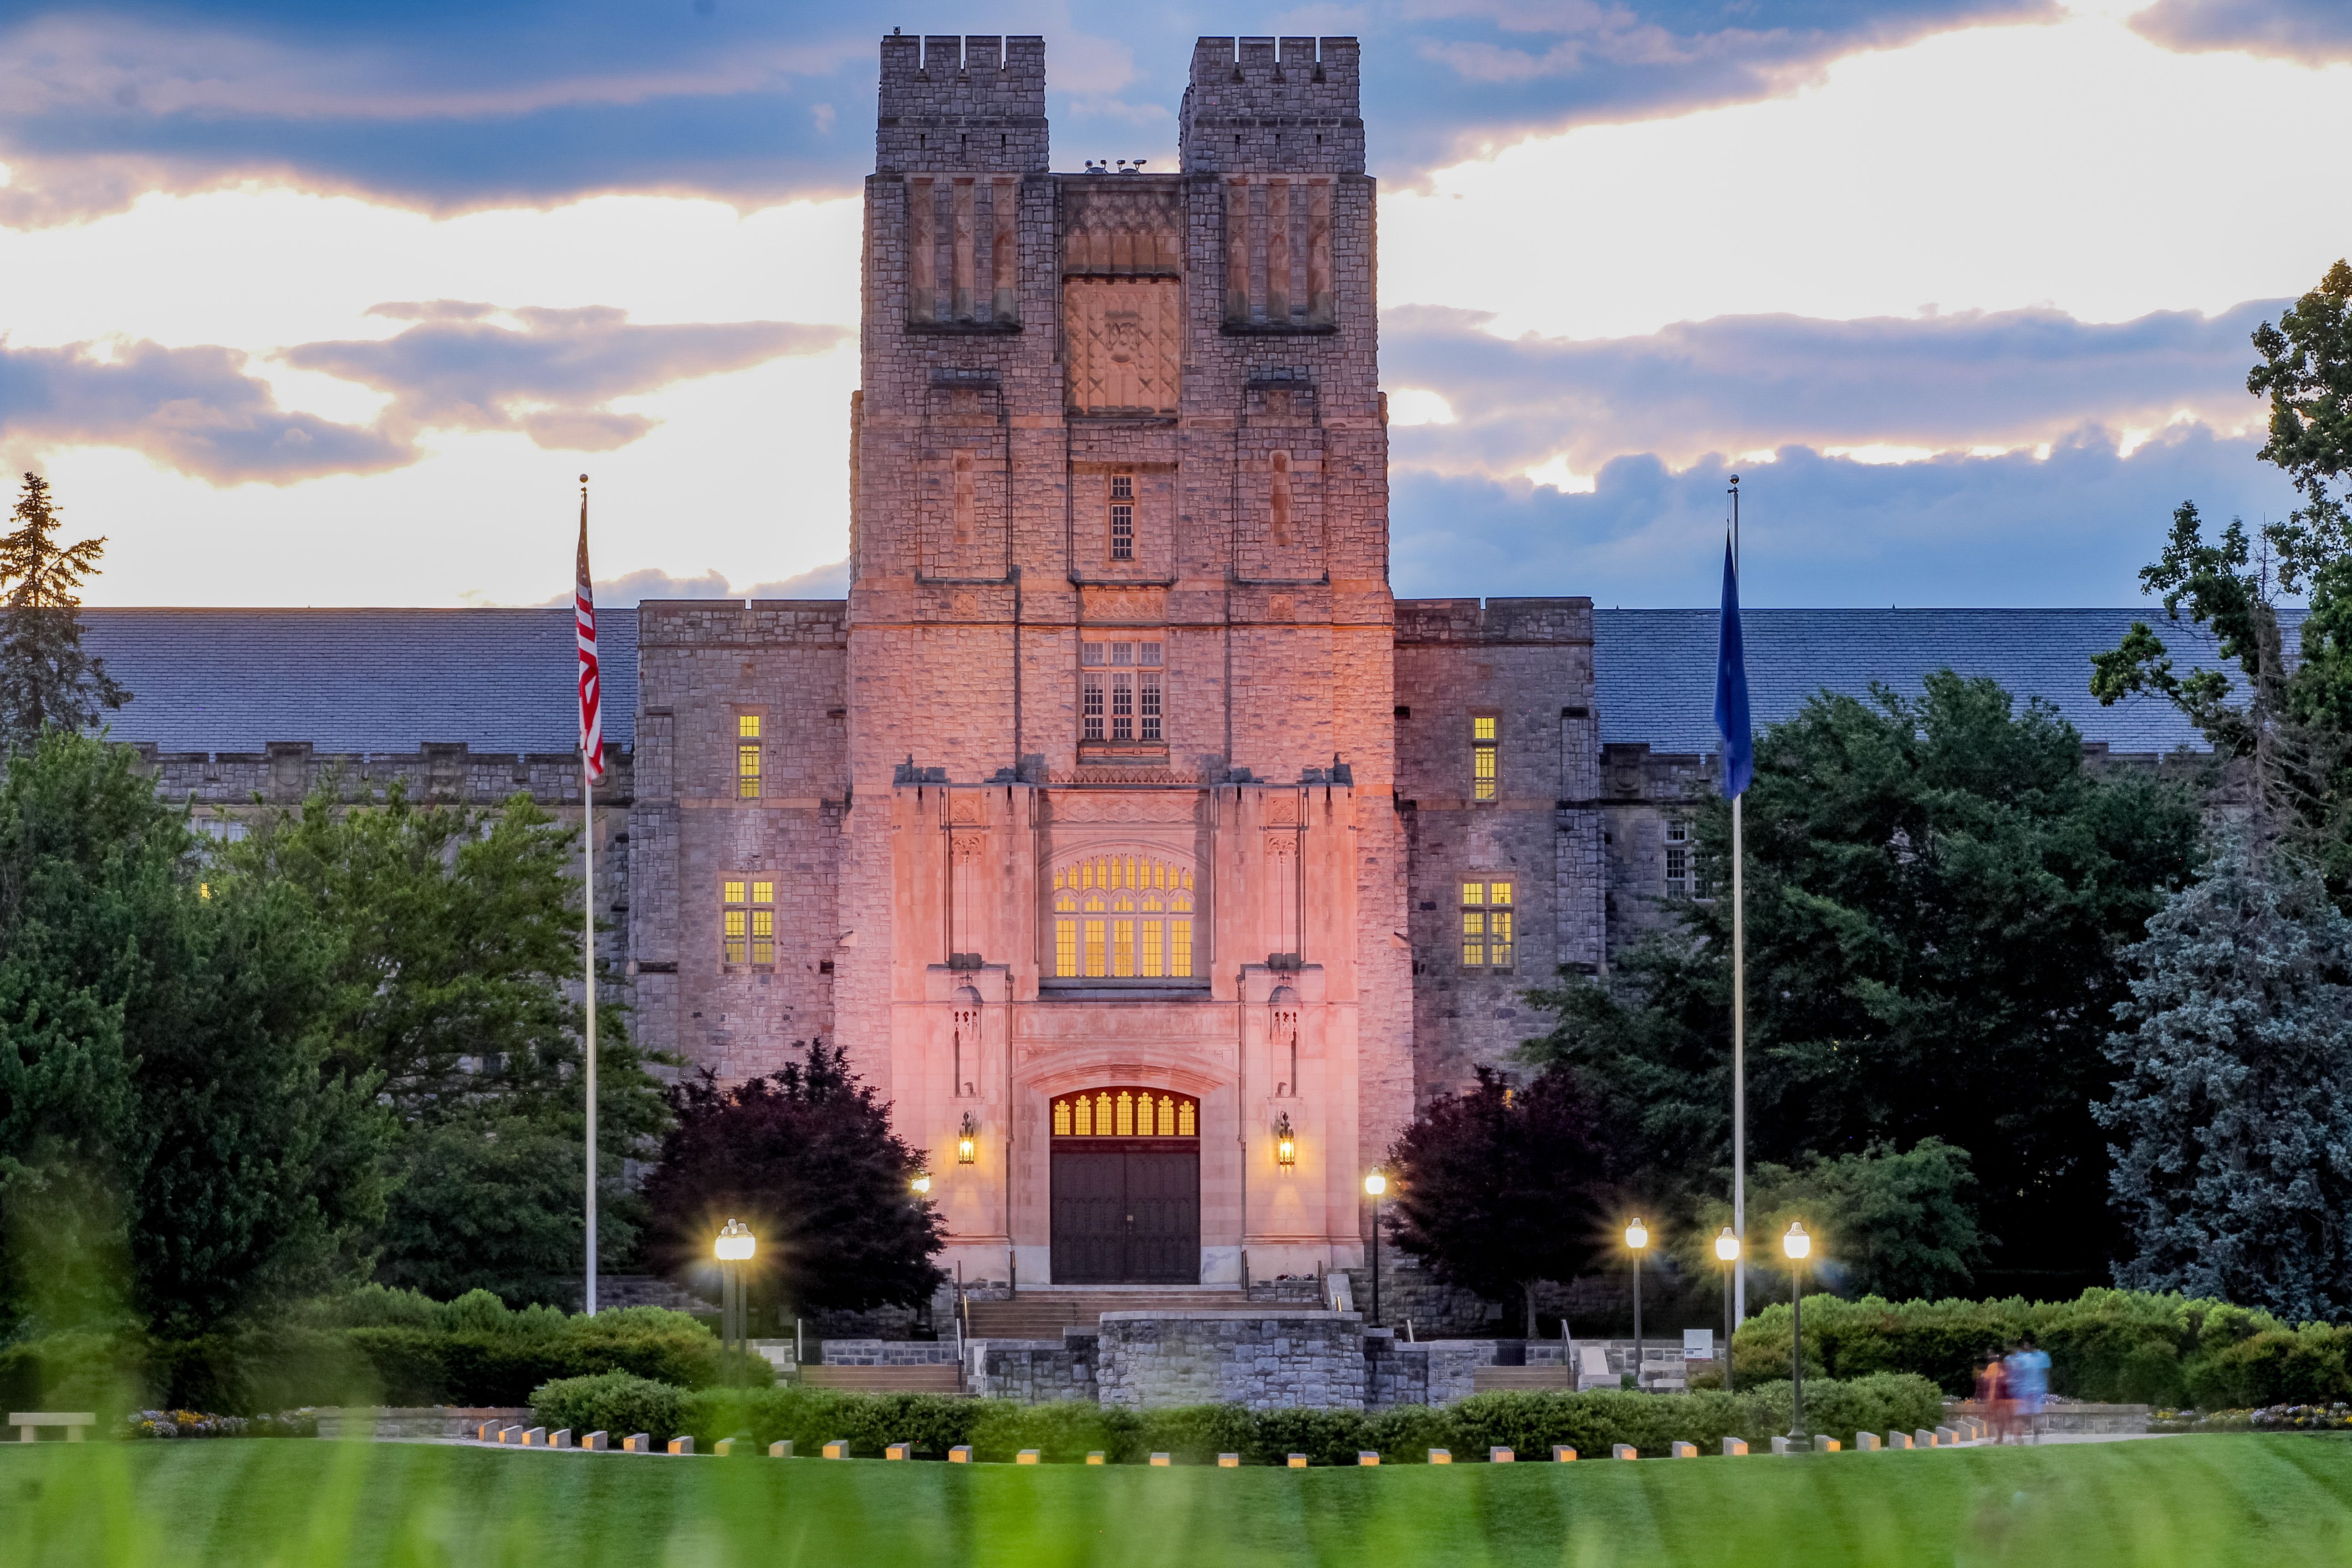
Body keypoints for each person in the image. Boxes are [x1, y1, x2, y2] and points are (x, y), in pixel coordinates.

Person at [2006, 1334, 2050, 1443]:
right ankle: (2019, 1437)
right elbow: (2014, 1373)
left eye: (2028, 1342)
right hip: (2022, 1391)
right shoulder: (2019, 1357)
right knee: (2021, 1415)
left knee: (2036, 1415)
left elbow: (2046, 1373)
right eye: (2024, 1342)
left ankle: (2036, 1436)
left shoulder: (2042, 1357)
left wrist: (2045, 1387)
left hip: (2038, 1391)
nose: (2026, 1345)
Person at [1976, 1350, 2010, 1443]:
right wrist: (1986, 1396)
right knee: (1998, 1419)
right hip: (1995, 1398)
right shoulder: (1992, 1367)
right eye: (2000, 1363)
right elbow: (1986, 1382)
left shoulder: (2010, 1368)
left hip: (2007, 1399)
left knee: (2004, 1418)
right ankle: (2000, 1437)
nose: (2001, 1364)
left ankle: (2006, 1437)